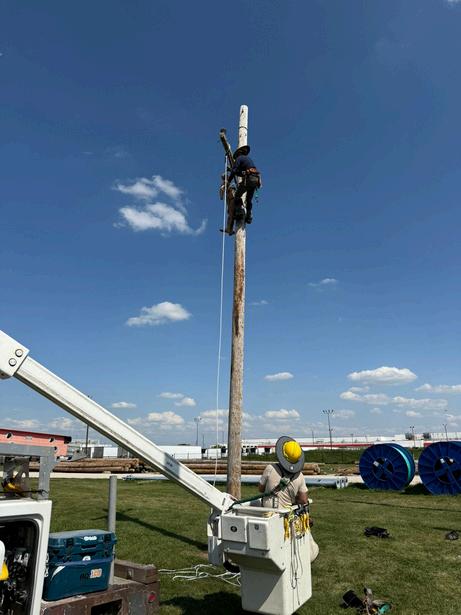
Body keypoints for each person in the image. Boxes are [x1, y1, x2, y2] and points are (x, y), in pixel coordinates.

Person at [258, 436, 319, 562]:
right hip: (285, 518)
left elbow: (260, 489)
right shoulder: (299, 476)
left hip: (267, 515)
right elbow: (303, 500)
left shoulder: (270, 468)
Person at [227, 144, 261, 225]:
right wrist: (235, 171)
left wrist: (229, 181)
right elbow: (241, 172)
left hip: (249, 179)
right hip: (255, 179)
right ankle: (249, 216)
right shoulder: (248, 160)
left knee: (237, 196)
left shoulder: (239, 158)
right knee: (248, 200)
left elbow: (234, 171)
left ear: (238, 154)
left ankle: (239, 212)